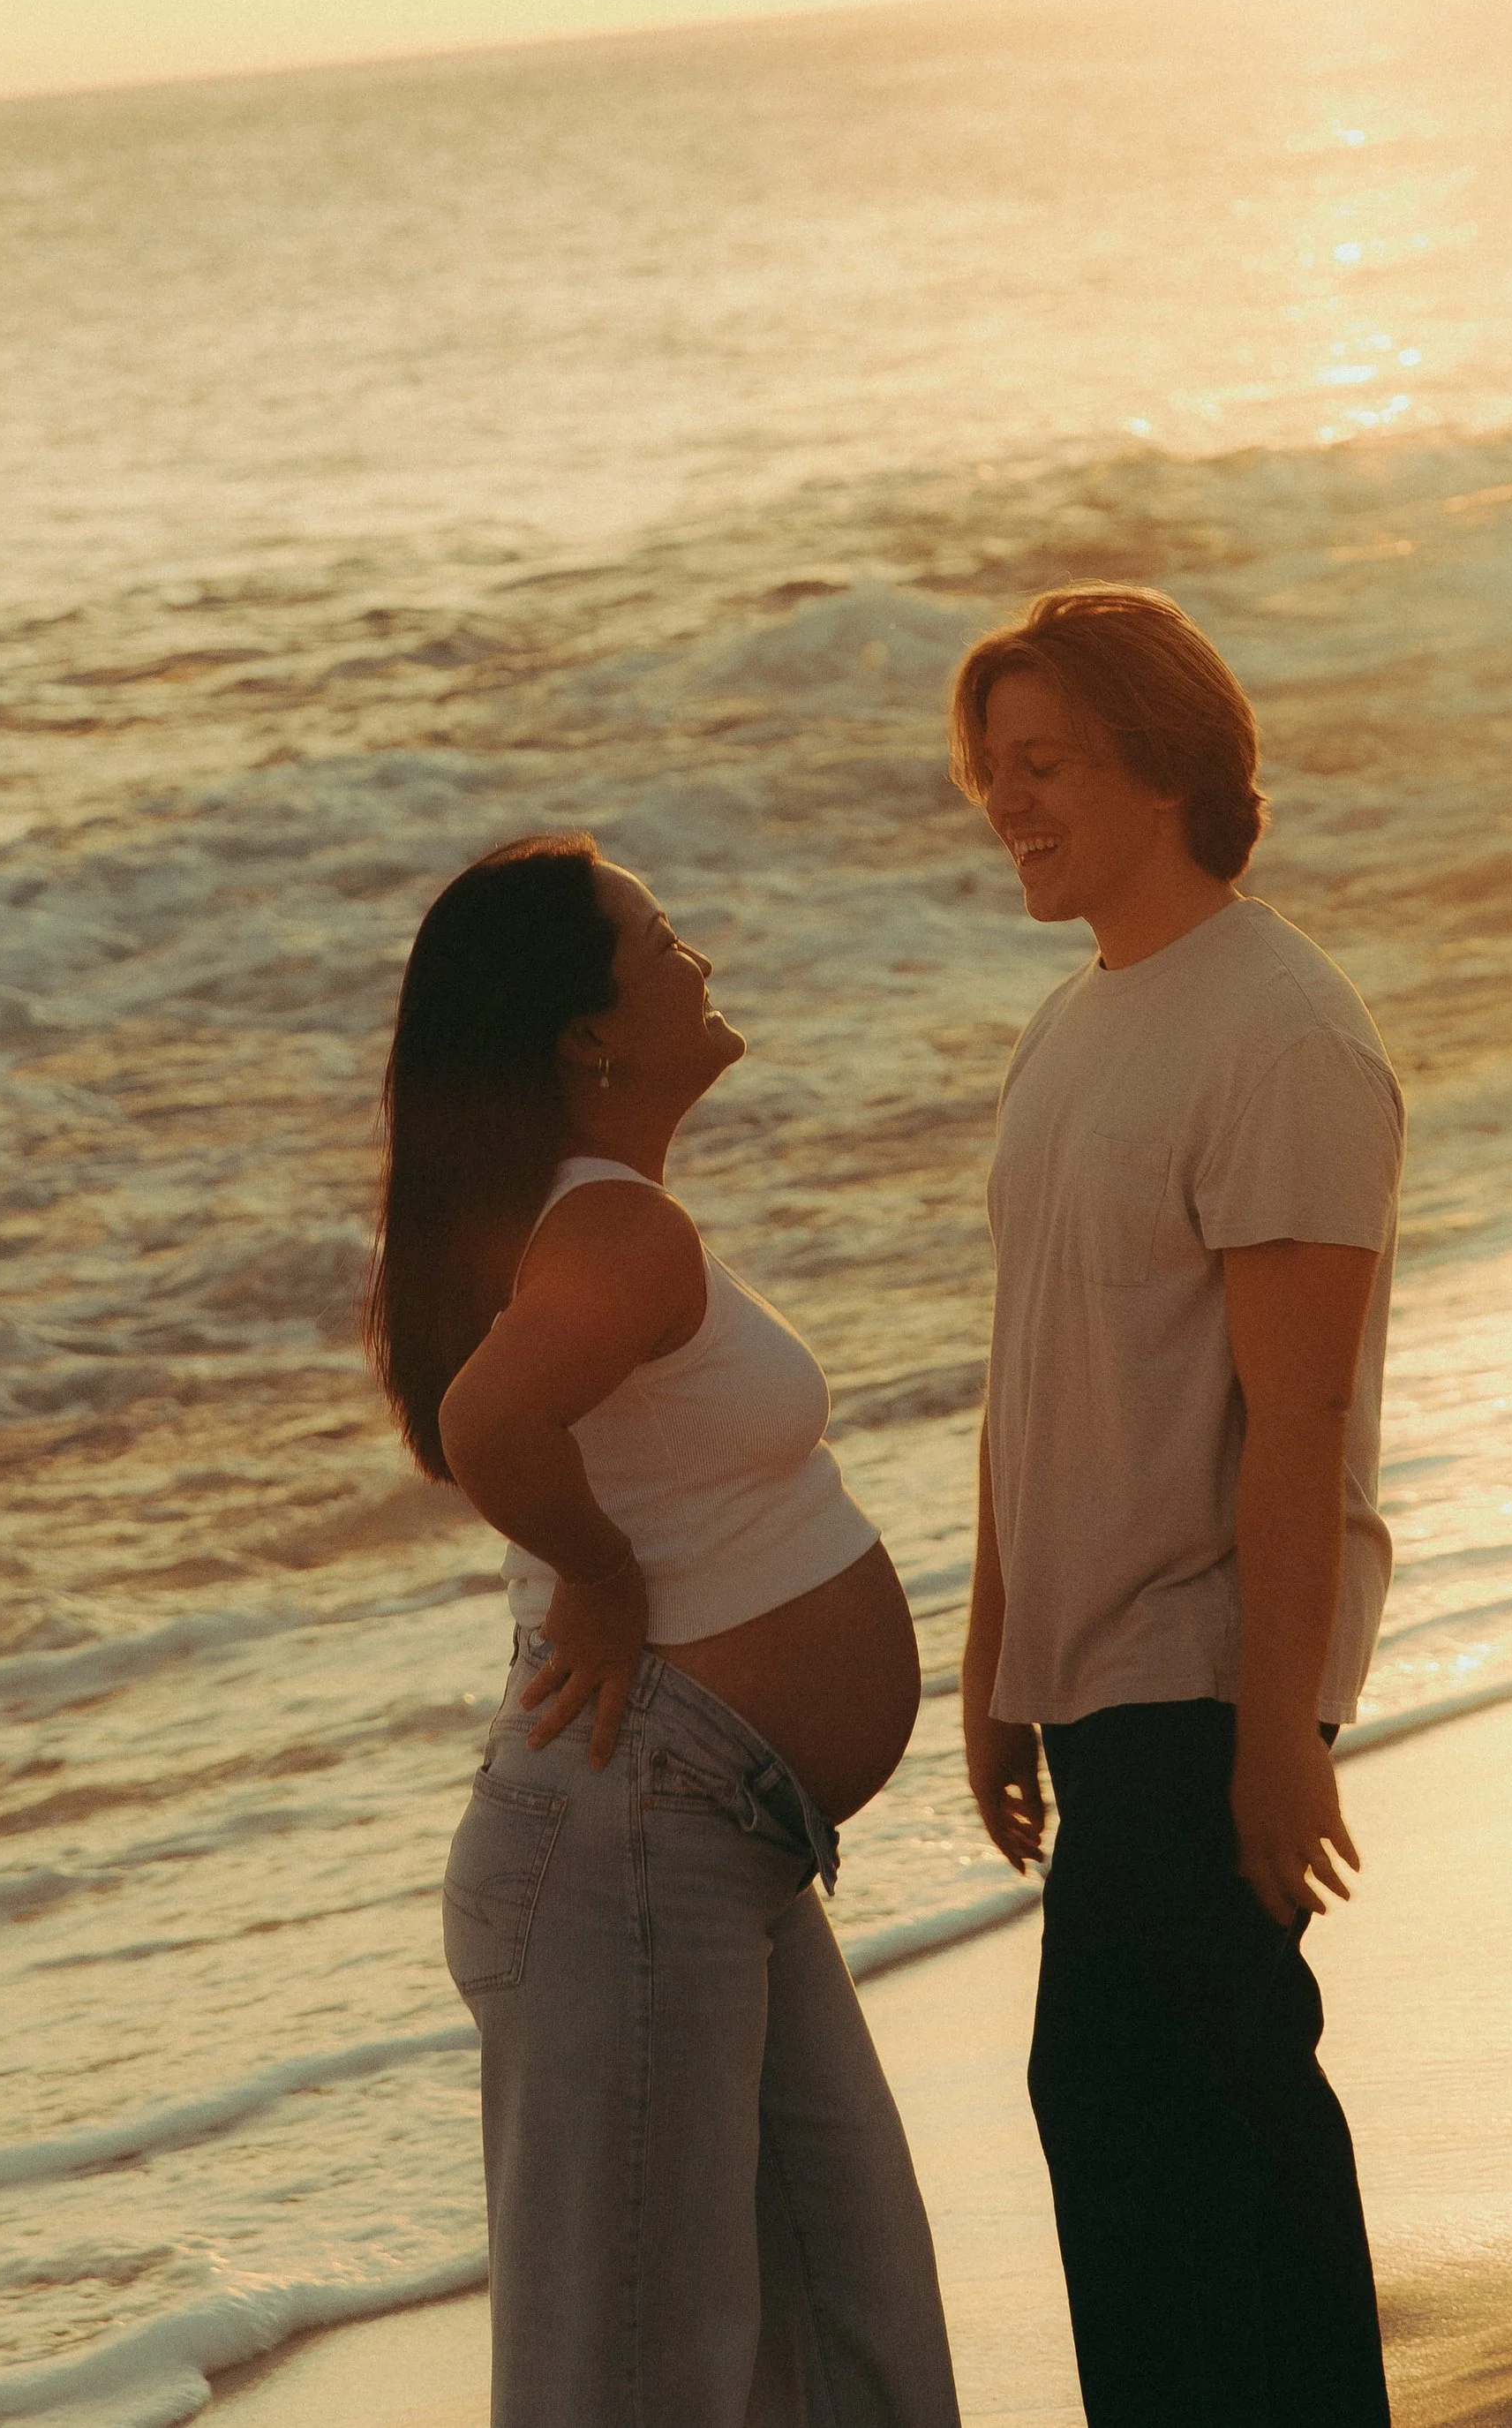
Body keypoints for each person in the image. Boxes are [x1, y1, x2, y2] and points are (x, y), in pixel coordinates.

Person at [365, 834, 959, 2428]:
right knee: (630, 2396)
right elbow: (491, 1421)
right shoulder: (614, 1233)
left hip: (713, 1842)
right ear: (591, 1036)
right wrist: (604, 1575)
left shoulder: (584, 1220)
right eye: (662, 938)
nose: (698, 957)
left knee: (858, 2352)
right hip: (636, 1843)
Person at [951, 586, 1402, 2428]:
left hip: (1207, 1671)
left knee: (1176, 2120)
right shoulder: (1078, 1023)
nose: (1008, 802)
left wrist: (1278, 1732)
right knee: (1161, 2120)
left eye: (1043, 763)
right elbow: (1031, 1371)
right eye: (990, 771)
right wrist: (990, 1664)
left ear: (1163, 761)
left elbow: (1294, 1422)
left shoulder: (1276, 1034)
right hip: (1097, 1674)